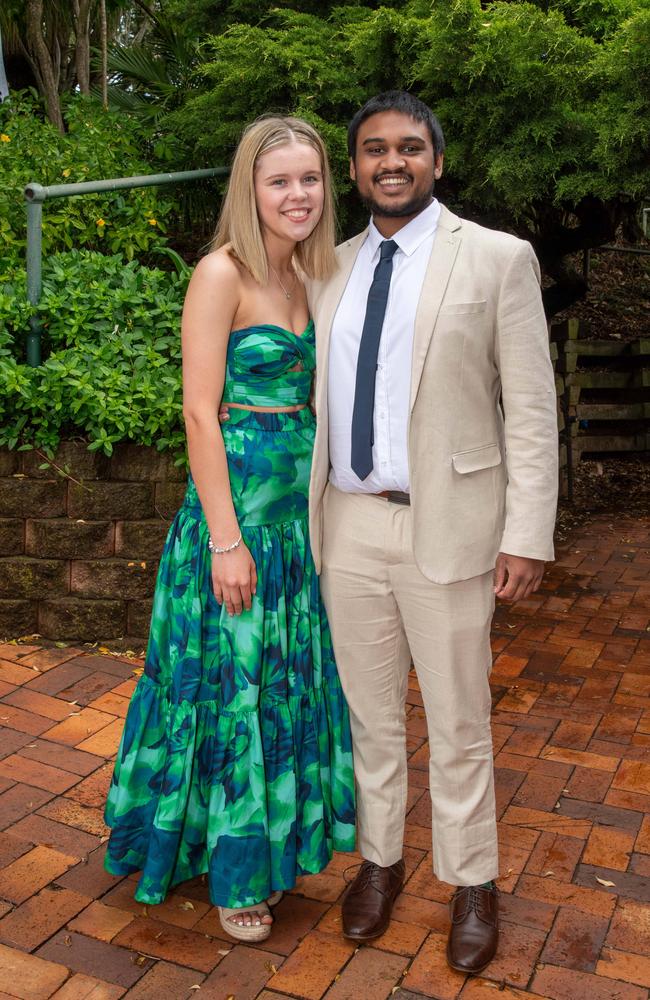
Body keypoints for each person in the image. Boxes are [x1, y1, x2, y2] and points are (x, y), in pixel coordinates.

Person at [307, 91, 558, 974]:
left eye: (409, 148)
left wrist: (527, 533)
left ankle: (473, 880)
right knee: (370, 718)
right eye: (373, 149)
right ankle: (380, 862)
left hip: (451, 527)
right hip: (345, 525)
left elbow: (530, 408)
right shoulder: (324, 267)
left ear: (437, 162)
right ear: (354, 167)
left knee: (459, 721)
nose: (391, 162)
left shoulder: (496, 258)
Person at [103, 115, 356, 943]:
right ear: (250, 188)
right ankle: (231, 876)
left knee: (279, 696)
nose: (298, 195)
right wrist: (225, 540)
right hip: (235, 527)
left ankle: (268, 850)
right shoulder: (223, 274)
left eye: (310, 179)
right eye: (280, 180)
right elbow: (199, 414)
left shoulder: (311, 277)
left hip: (294, 533)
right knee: (228, 695)